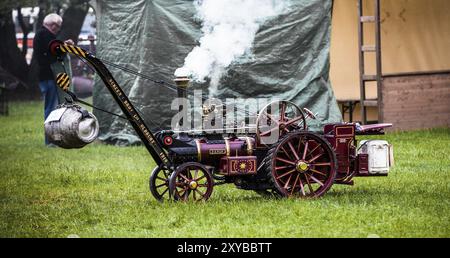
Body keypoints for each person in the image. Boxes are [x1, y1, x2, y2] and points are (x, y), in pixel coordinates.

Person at [33, 13, 74, 146]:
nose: (58, 29)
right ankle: (50, 141)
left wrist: (63, 45)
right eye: (58, 26)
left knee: (52, 108)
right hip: (48, 77)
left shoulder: (42, 34)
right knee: (51, 109)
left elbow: (54, 47)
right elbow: (55, 49)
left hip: (46, 77)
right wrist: (65, 45)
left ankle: (53, 139)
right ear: (53, 25)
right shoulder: (44, 34)